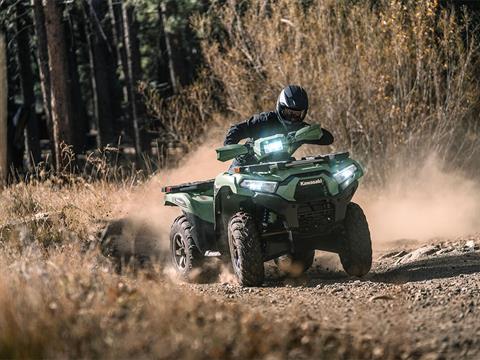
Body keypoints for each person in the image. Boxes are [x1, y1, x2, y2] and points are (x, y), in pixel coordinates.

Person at [224, 85, 334, 166]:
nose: (292, 117)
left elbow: (328, 139)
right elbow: (236, 129)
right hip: (247, 166)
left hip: (280, 170)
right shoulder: (264, 120)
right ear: (280, 107)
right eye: (289, 112)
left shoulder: (301, 129)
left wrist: (309, 133)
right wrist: (232, 148)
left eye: (297, 114)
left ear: (304, 113)